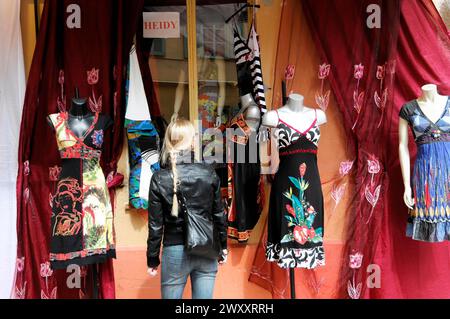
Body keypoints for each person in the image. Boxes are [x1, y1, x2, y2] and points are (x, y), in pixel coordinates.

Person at [146, 117, 228, 299]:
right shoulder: (208, 173)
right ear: (192, 142)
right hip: (207, 248)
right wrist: (223, 247)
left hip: (175, 251)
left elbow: (155, 226)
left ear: (169, 141)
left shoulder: (160, 178)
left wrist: (152, 259)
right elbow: (218, 215)